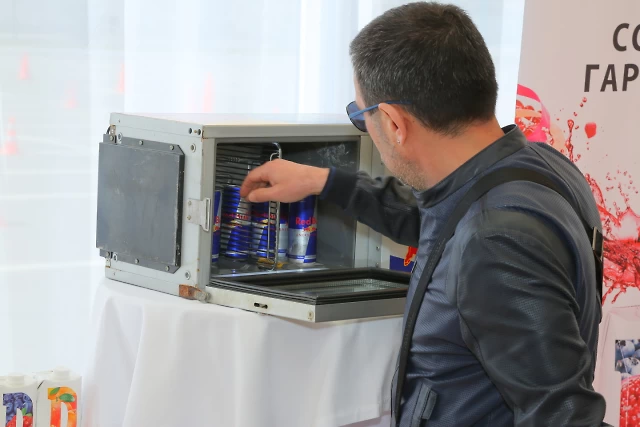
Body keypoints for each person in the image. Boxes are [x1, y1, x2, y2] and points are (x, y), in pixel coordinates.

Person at [240, 2, 607, 426]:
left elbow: (566, 418)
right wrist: (324, 182)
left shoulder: (494, 242)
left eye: (361, 116)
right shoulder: (540, 169)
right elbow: (442, 219)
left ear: (394, 123)